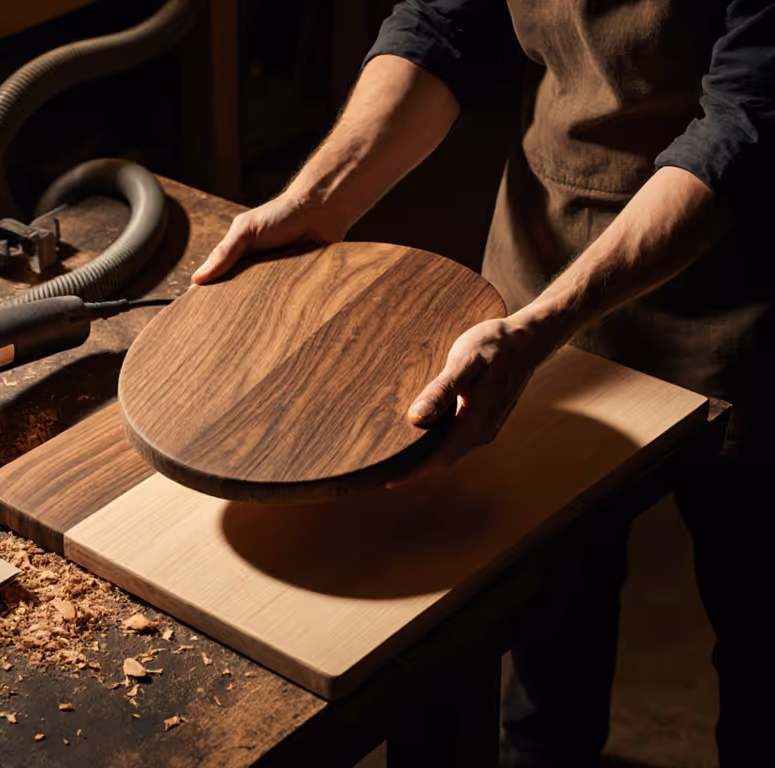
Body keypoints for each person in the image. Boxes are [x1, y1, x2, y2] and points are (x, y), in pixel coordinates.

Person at [191, 1, 775, 766]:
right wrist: (322, 199)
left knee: (760, 633)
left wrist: (540, 326)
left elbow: (747, 121)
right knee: (551, 614)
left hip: (743, 281)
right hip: (551, 238)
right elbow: (443, 23)